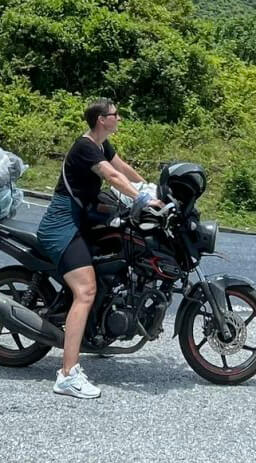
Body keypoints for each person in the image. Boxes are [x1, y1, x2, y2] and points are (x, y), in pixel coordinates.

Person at [34, 98, 157, 399]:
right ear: (101, 119)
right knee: (85, 290)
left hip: (80, 220)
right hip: (62, 224)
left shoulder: (102, 145)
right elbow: (112, 177)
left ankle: (100, 330)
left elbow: (122, 167)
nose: (119, 119)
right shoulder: (85, 146)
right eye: (116, 115)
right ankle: (66, 375)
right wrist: (142, 201)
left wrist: (151, 189)